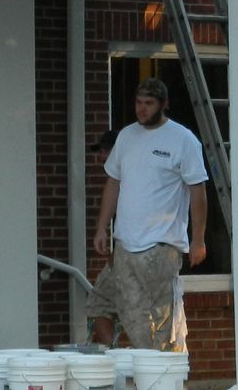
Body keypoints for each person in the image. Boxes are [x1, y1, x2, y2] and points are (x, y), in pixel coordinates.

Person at [87, 78, 208, 349]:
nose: (141, 109)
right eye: (138, 103)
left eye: (148, 104)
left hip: (161, 246)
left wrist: (198, 239)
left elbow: (198, 191)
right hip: (126, 245)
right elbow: (113, 183)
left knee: (163, 321)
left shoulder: (183, 140)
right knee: (133, 317)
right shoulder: (127, 136)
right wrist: (101, 227)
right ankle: (145, 375)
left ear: (163, 105)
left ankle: (169, 378)